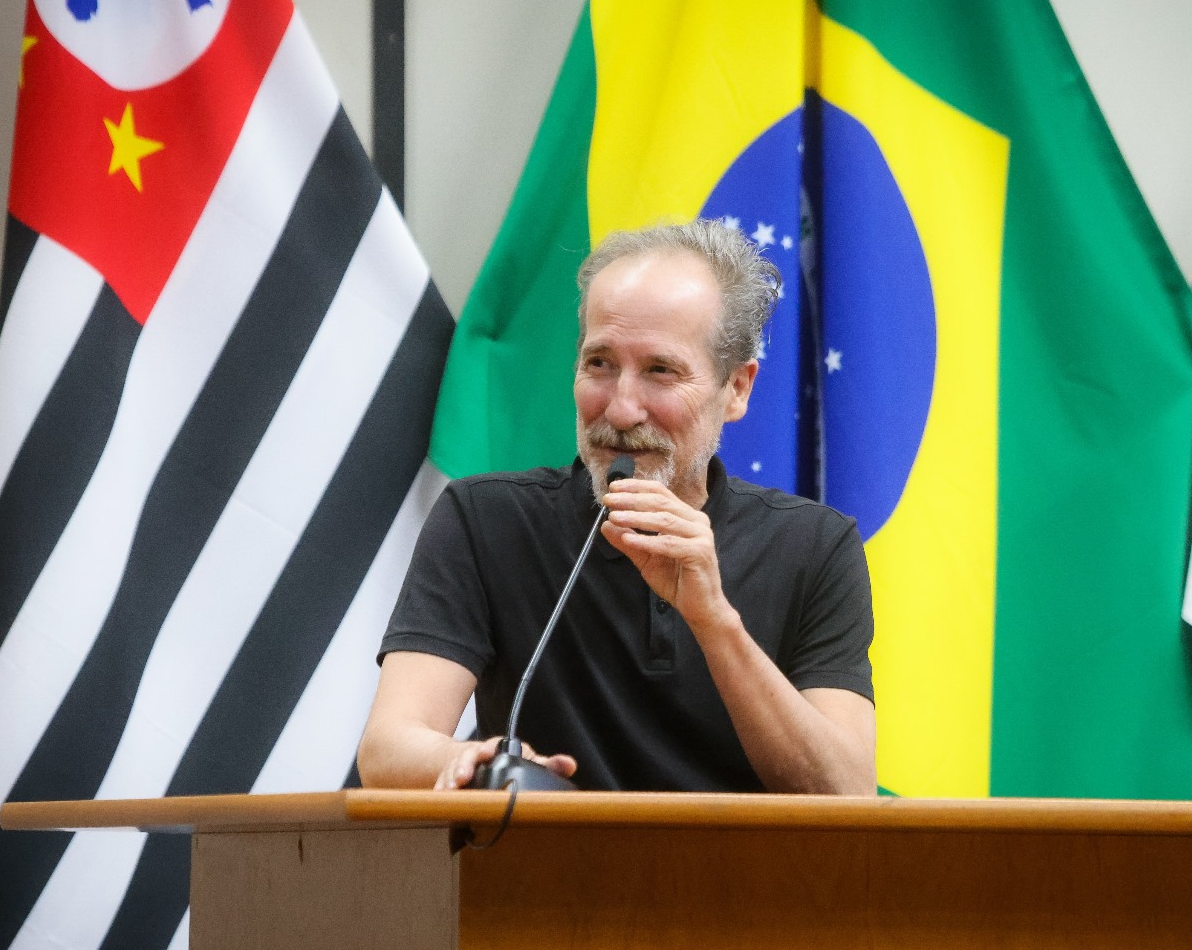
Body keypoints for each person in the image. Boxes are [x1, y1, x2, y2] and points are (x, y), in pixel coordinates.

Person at [358, 220, 876, 795]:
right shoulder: (485, 521)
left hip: (741, 883)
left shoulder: (815, 546)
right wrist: (467, 761)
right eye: (600, 364)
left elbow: (847, 791)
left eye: (660, 371)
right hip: (541, 874)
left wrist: (712, 618)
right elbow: (388, 747)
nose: (622, 409)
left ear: (737, 389)